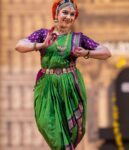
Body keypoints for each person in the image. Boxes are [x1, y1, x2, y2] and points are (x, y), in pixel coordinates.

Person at [15, 0, 111, 149]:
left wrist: (86, 52)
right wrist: (41, 45)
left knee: (70, 129)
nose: (68, 17)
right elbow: (19, 45)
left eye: (72, 14)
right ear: (56, 14)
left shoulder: (78, 38)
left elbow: (106, 52)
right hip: (47, 86)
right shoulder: (43, 34)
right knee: (45, 124)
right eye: (65, 12)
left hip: (69, 86)